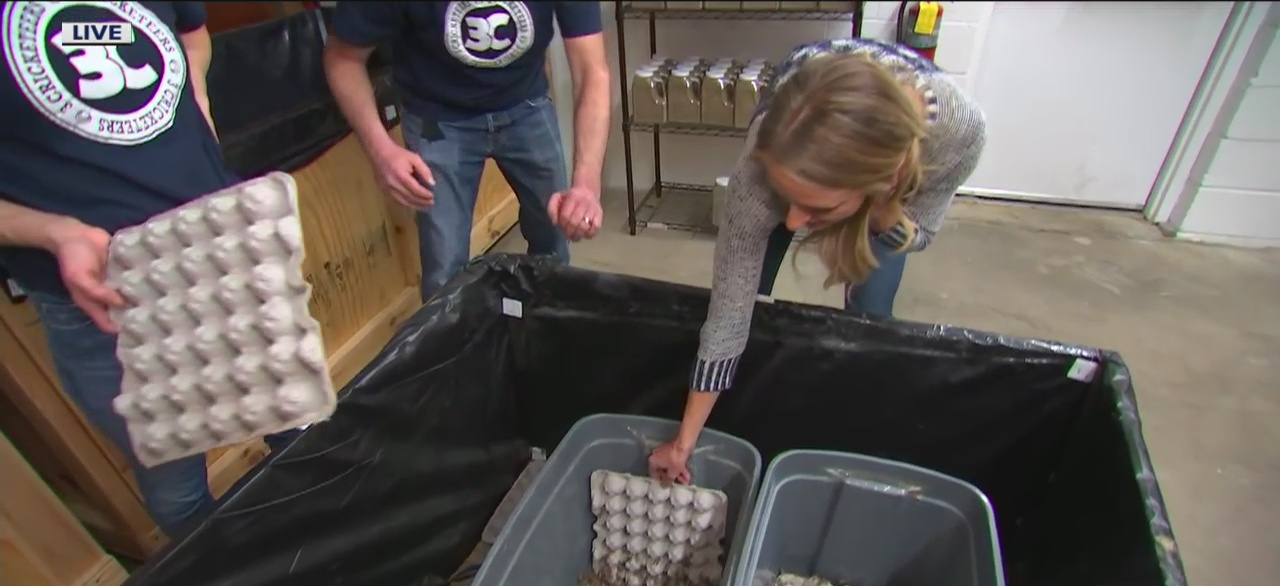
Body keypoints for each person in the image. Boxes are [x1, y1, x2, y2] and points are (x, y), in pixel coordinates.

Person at [0, 1, 300, 538]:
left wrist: (197, 101)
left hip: (220, 247)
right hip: (107, 300)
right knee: (176, 486)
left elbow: (192, 32)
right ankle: (233, 581)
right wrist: (54, 232)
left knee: (298, 423)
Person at [648, 39, 987, 483]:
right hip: (817, 128)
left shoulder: (958, 134)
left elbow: (917, 235)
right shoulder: (758, 175)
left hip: (890, 189)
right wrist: (683, 444)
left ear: (883, 182)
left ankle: (851, 438)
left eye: (815, 207)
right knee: (752, 298)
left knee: (872, 315)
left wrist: (883, 210)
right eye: (787, 197)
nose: (793, 222)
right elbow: (729, 315)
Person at [323, 1, 612, 301]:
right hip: (437, 118)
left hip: (525, 104)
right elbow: (342, 59)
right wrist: (381, 150)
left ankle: (545, 321)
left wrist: (587, 184)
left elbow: (592, 72)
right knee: (444, 272)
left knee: (554, 242)